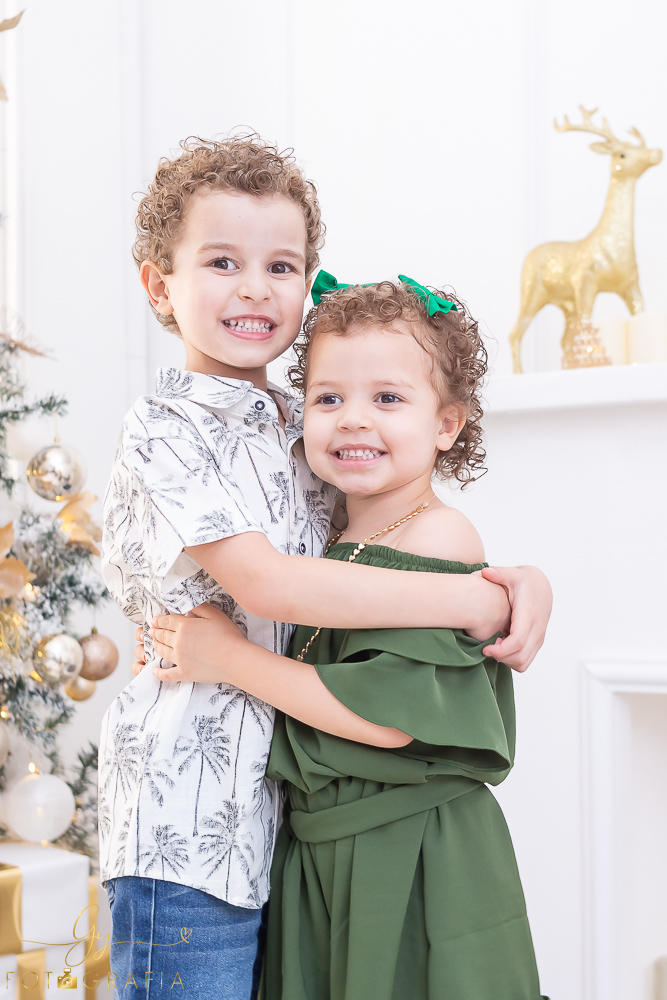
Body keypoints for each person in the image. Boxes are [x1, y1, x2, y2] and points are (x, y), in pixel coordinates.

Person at [101, 134, 552, 999]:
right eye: (222, 261)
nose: (253, 288)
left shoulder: (299, 425)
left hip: (278, 825)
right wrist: (470, 601)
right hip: (184, 825)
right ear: (161, 284)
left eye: (281, 265)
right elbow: (269, 583)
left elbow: (384, 530)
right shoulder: (166, 428)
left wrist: (519, 581)